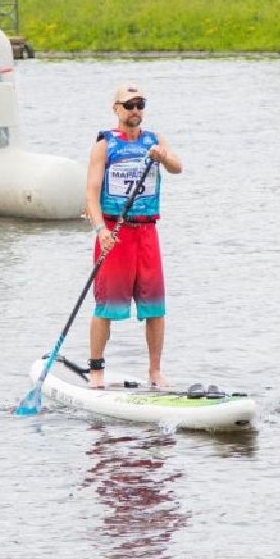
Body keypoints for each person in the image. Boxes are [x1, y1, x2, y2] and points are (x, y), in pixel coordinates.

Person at [84, 82, 183, 390]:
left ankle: (155, 371)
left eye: (140, 104)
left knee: (155, 307)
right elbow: (90, 193)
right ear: (116, 109)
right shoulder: (105, 144)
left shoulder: (155, 139)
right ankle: (97, 370)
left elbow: (178, 167)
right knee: (107, 307)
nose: (136, 110)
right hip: (115, 232)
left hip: (147, 233)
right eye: (129, 105)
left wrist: (162, 157)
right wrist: (101, 231)